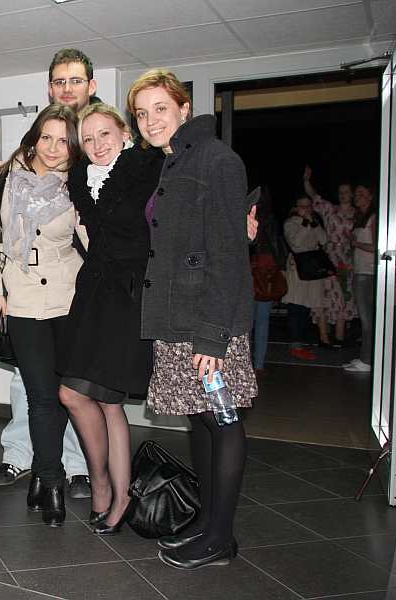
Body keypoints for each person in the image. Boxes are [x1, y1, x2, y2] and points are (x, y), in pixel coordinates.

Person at [130, 69, 257, 569]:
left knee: (222, 422)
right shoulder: (174, 160)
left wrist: (213, 337)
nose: (150, 120)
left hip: (207, 323)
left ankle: (221, 538)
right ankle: (207, 523)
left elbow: (227, 254)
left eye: (160, 108)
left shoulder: (217, 159)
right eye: (141, 113)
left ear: (184, 108)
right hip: (178, 318)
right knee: (201, 421)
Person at [0, 48, 93, 498]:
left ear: (90, 86)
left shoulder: (88, 164)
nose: (67, 89)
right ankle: (23, 457)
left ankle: (75, 466)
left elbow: (97, 237)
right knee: (29, 384)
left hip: (68, 294)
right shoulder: (10, 172)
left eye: (75, 81)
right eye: (59, 82)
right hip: (23, 294)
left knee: (70, 387)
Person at [57, 102, 165, 534]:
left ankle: (119, 497)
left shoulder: (147, 167)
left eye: (105, 133)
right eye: (88, 138)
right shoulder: (80, 178)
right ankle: (100, 482)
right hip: (93, 293)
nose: (97, 144)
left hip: (128, 294)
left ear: (125, 133)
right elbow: (37, 159)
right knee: (73, 394)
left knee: (108, 400)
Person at [303, 167, 356, 348]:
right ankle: (324, 337)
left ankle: (340, 338)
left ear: (351, 194)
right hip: (329, 257)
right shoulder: (330, 210)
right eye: (340, 192)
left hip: (347, 258)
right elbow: (313, 196)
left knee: (344, 297)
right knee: (327, 296)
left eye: (346, 192)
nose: (343, 195)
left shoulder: (357, 214)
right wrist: (306, 180)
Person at [282, 197, 329, 361]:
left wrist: (313, 224)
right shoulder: (290, 223)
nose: (306, 209)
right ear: (296, 207)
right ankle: (295, 344)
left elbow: (324, 240)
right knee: (296, 306)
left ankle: (300, 343)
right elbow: (296, 243)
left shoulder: (314, 222)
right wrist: (305, 224)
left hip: (313, 268)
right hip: (298, 269)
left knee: (307, 306)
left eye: (308, 206)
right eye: (302, 206)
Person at [250, 188, 285, 374]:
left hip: (251, 271)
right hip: (266, 273)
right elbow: (277, 246)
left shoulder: (246, 217)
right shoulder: (271, 220)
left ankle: (248, 362)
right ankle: (259, 363)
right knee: (262, 321)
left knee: (247, 321)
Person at [344, 183, 377, 373]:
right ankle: (366, 356)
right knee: (364, 318)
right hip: (359, 271)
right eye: (356, 194)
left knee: (367, 319)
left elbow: (377, 246)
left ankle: (367, 360)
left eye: (361, 194)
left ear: (370, 197)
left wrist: (356, 244)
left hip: (369, 273)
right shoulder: (360, 218)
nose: (357, 197)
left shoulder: (374, 218)